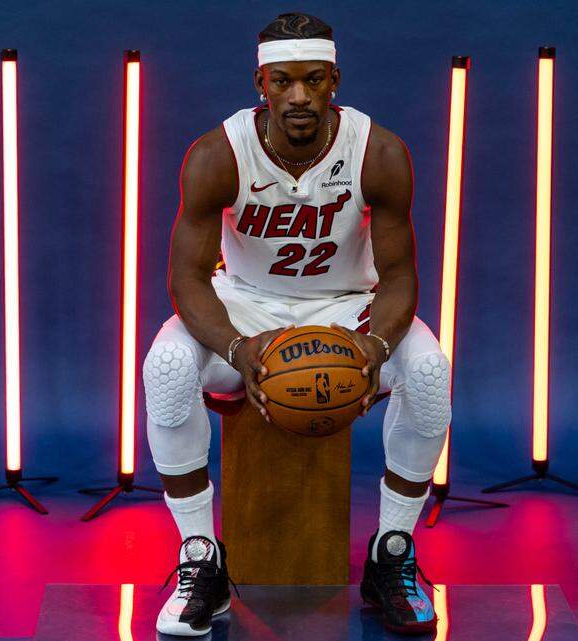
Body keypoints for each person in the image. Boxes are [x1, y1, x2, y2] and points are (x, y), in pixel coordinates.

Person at [145, 12, 451, 636]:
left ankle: (391, 555)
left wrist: (375, 345)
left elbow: (398, 275)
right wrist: (236, 345)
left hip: (346, 305)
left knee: (430, 371)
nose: (299, 96)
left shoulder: (379, 151)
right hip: (247, 306)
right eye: (282, 81)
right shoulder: (217, 154)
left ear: (335, 79)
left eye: (314, 80)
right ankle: (201, 559)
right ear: (260, 82)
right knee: (167, 365)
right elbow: (187, 280)